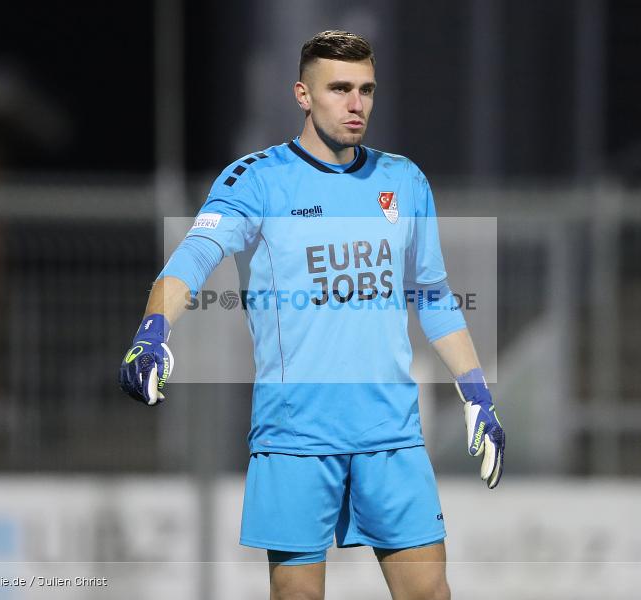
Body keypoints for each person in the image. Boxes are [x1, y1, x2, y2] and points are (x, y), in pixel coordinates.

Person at [119, 30, 504, 600]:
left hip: (390, 434)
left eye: (366, 89)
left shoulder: (403, 180)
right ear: (303, 94)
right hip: (296, 435)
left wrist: (477, 394)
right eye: (340, 88)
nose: (356, 104)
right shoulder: (257, 179)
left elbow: (433, 295)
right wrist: (153, 332)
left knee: (429, 594)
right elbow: (193, 257)